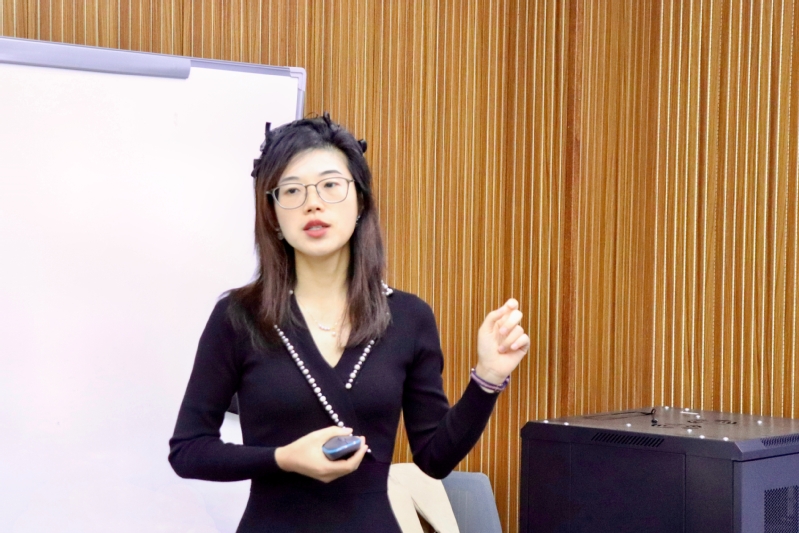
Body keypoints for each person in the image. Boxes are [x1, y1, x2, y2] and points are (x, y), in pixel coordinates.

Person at [168, 114, 529, 532]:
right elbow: (188, 450)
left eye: (330, 185)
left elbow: (434, 458)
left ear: (360, 202)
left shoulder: (408, 317)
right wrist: (282, 458)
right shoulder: (238, 316)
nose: (313, 203)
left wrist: (487, 379)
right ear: (273, 215)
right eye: (291, 190)